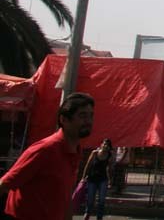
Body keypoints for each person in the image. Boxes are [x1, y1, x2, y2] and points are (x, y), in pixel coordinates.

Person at [0, 91, 94, 220]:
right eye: (82, 116)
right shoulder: (45, 149)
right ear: (64, 119)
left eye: (90, 116)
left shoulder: (76, 150)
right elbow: (4, 184)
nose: (88, 121)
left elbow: (65, 197)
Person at [82, 138, 114, 220]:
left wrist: (110, 181)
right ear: (101, 145)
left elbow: (109, 169)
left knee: (101, 200)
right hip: (92, 179)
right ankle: (87, 213)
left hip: (103, 180)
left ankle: (99, 217)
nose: (105, 146)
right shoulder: (94, 153)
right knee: (90, 199)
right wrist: (83, 177)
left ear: (109, 147)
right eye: (104, 144)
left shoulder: (110, 155)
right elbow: (88, 165)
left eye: (107, 145)